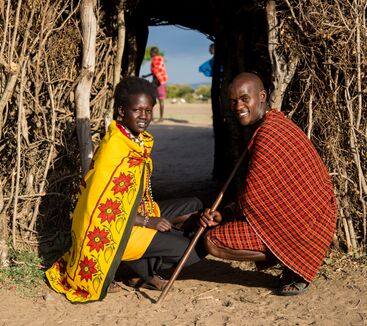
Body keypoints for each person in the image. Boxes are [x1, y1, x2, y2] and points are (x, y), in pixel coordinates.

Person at [46, 77, 204, 303]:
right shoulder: (115, 147)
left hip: (137, 212)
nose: (143, 116)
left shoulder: (136, 141)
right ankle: (136, 268)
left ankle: (138, 265)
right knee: (193, 250)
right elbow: (102, 208)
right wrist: (147, 221)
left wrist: (151, 217)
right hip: (116, 228)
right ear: (122, 111)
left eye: (148, 110)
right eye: (137, 110)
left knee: (195, 206)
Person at [199, 72, 337, 296]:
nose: (238, 106)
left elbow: (256, 199)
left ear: (262, 96)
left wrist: (227, 213)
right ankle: (293, 259)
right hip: (314, 219)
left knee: (214, 241)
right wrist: (229, 211)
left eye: (245, 99)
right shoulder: (271, 124)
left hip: (308, 224)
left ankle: (295, 262)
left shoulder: (269, 134)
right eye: (233, 101)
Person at [150, 46, 168, 121]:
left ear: (153, 52)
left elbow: (155, 71)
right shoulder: (161, 59)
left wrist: (154, 81)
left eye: (151, 52)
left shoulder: (155, 59)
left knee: (152, 99)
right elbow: (157, 70)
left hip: (157, 80)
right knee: (161, 100)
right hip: (162, 81)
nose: (150, 54)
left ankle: (152, 117)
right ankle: (161, 118)